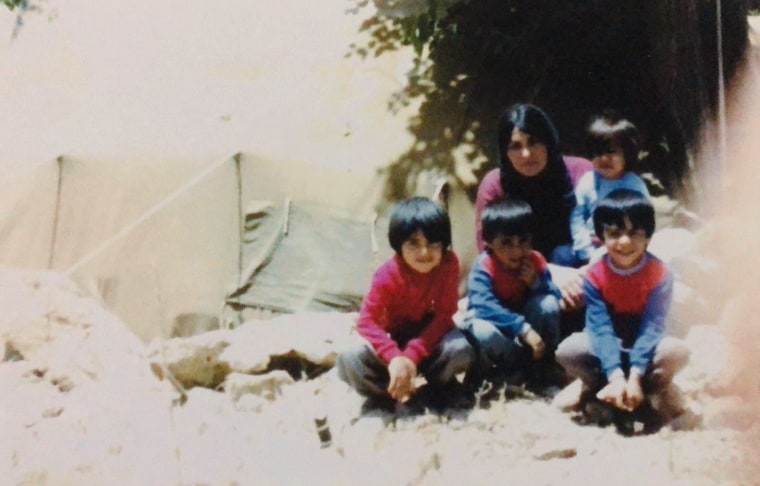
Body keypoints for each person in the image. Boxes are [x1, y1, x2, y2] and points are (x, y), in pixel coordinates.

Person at [554, 189, 690, 417]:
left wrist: (635, 375)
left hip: (647, 345)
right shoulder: (595, 275)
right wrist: (616, 375)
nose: (625, 242)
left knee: (676, 351)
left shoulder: (660, 273)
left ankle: (653, 388)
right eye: (615, 234)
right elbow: (600, 328)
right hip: (609, 345)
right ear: (600, 237)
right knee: (569, 350)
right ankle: (597, 385)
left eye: (634, 233)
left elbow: (653, 326)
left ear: (647, 236)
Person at [336, 197, 474, 411]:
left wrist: (412, 355)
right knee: (349, 357)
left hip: (427, 339)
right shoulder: (386, 275)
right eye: (414, 244)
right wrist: (394, 357)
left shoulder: (448, 264)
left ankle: (436, 388)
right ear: (398, 244)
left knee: (460, 348)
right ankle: (386, 392)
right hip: (391, 340)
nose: (424, 253)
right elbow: (366, 322)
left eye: (432, 244)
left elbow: (445, 315)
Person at [475, 103, 592, 266]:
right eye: (515, 146)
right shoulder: (495, 186)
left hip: (582, 276)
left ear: (548, 143)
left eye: (534, 142)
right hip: (519, 278)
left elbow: (604, 238)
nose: (526, 154)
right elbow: (488, 254)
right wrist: (549, 273)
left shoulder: (582, 174)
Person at [463, 199, 562, 385]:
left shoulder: (534, 261)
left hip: (529, 337)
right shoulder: (484, 267)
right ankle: (510, 370)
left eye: (523, 241)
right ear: (489, 243)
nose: (517, 250)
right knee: (481, 331)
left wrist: (536, 283)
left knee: (547, 304)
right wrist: (523, 329)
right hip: (503, 333)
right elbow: (484, 306)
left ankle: (544, 364)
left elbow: (554, 294)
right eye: (506, 243)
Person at [571, 111, 650, 265]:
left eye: (611, 152)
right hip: (592, 243)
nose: (604, 158)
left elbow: (645, 218)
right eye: (598, 153)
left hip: (624, 244)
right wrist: (583, 247)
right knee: (560, 254)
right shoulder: (588, 182)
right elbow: (577, 216)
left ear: (627, 153)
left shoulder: (634, 184)